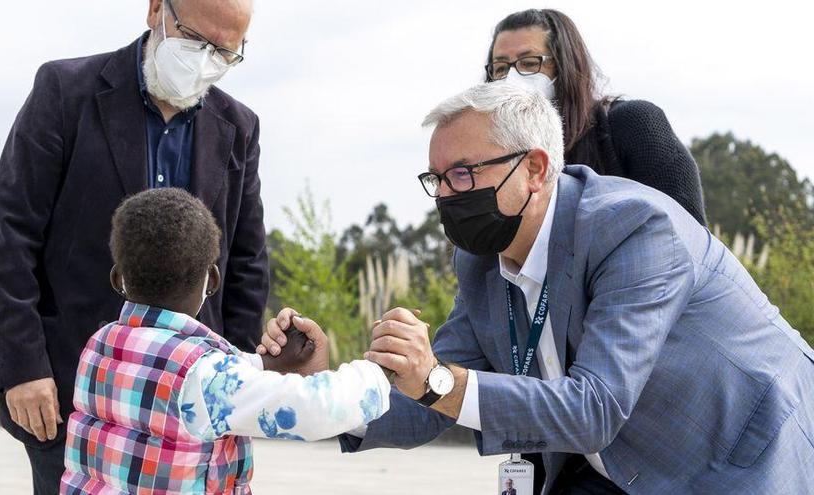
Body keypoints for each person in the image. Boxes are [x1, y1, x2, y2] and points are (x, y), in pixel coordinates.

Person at [261, 83, 814, 493]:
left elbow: (593, 407)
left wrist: (432, 377)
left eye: (463, 173)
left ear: (534, 168)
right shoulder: (480, 263)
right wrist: (322, 387)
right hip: (611, 466)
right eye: (436, 179)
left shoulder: (636, 228)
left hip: (742, 459)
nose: (446, 197)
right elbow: (427, 403)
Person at [0, 1, 269, 492]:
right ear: (157, 8)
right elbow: (11, 235)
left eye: (225, 52)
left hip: (192, 400)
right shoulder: (65, 92)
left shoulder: (238, 127)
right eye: (196, 41)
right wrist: (23, 366)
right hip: (74, 393)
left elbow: (247, 260)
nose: (205, 60)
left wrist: (238, 375)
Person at [60, 188, 390, 494]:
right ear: (213, 279)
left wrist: (266, 365)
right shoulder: (206, 376)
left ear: (119, 278)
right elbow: (316, 409)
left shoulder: (100, 345)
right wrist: (376, 372)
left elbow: (181, 367)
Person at [484, 9, 707, 225]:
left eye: (530, 63)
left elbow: (689, 237)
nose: (511, 78)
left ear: (565, 67)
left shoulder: (634, 125)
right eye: (500, 68)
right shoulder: (492, 157)